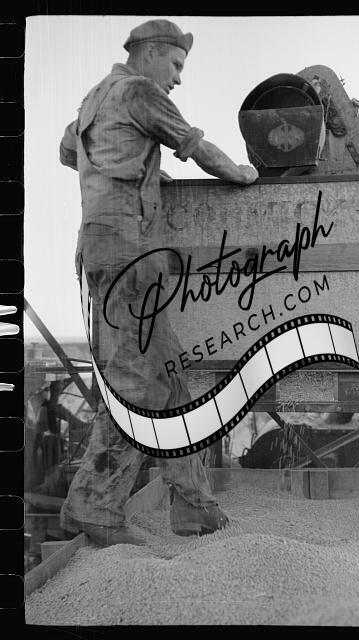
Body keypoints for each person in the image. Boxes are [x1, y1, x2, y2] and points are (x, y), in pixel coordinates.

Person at [58, 19, 258, 546]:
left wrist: (139, 168)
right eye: (175, 64)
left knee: (169, 381)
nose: (178, 77)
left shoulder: (95, 96)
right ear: (148, 54)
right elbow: (196, 146)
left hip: (104, 246)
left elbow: (67, 151)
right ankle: (94, 504)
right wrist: (241, 173)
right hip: (128, 250)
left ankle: (193, 506)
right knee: (137, 386)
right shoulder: (139, 91)